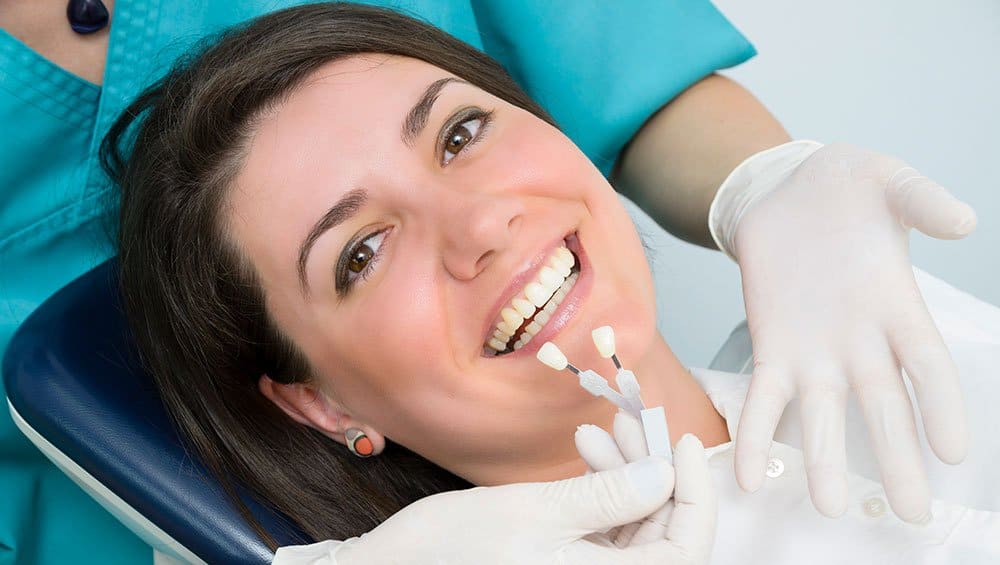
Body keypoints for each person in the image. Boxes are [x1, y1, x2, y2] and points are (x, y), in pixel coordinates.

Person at [0, 0, 976, 562]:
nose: (476, 228)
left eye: (460, 133)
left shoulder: (919, 339)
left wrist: (771, 179)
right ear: (316, 401)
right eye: (360, 254)